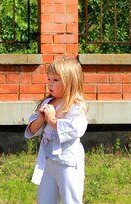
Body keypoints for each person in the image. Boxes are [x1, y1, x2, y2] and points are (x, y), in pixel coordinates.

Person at [25, 56, 88, 204]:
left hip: (68, 162)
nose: (50, 84)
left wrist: (53, 120)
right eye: (49, 79)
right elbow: (32, 130)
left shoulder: (75, 105)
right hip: (48, 160)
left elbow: (77, 129)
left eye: (55, 80)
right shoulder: (48, 102)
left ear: (69, 82)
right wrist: (41, 118)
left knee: (70, 199)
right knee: (45, 199)